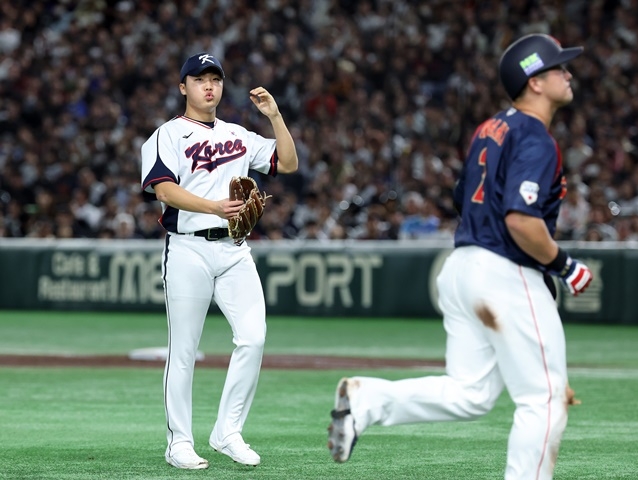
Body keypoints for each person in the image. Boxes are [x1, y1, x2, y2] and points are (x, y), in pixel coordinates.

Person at [327, 34, 593, 480]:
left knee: (470, 393)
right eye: (558, 68)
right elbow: (521, 221)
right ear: (535, 83)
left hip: (463, 268)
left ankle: (367, 400)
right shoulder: (535, 137)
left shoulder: (489, 128)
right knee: (542, 399)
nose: (568, 74)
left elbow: (462, 196)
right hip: (504, 271)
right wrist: (566, 267)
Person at [141, 52, 298, 470]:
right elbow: (164, 191)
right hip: (188, 247)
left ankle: (227, 432)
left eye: (215, 79)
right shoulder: (168, 135)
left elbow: (287, 162)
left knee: (254, 337)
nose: (208, 86)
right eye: (199, 79)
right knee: (184, 350)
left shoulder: (239, 134)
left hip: (234, 249)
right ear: (183, 88)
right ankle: (179, 443)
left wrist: (275, 116)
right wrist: (214, 208)